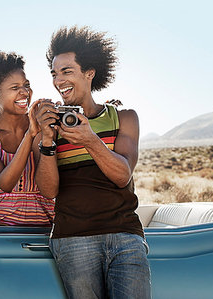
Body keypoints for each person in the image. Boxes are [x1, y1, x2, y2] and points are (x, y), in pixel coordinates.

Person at [33, 26, 151, 298]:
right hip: (72, 240)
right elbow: (49, 191)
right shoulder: (48, 127)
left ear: (89, 73)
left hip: (125, 236)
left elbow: (122, 175)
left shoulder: (124, 118)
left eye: (66, 71)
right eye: (54, 73)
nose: (58, 80)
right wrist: (48, 141)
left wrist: (90, 140)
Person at [0, 52, 54, 226]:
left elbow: (50, 188)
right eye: (15, 88)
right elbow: (5, 183)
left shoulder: (42, 124)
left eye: (26, 85)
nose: (25, 93)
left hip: (42, 215)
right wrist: (30, 134)